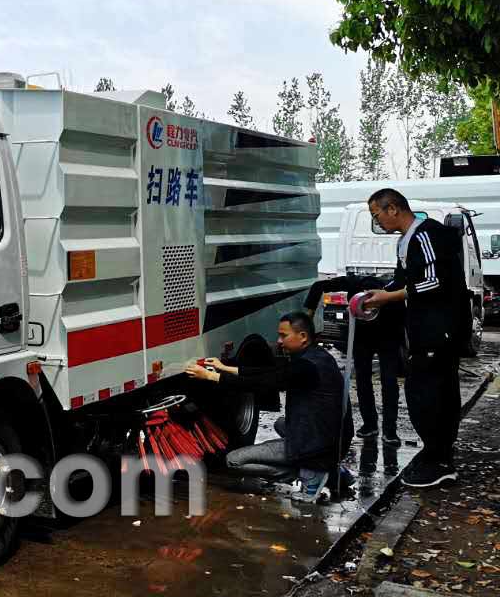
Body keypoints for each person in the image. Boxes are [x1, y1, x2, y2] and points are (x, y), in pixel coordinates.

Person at [362, 188, 469, 488]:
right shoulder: (405, 241)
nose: (378, 221)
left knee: (432, 395)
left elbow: (435, 282)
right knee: (423, 392)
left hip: (440, 330)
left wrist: (389, 296)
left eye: (377, 214)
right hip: (422, 332)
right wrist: (378, 293)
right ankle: (434, 453)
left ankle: (440, 460)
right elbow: (404, 279)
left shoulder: (427, 235)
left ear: (393, 209)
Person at [185, 310, 350, 503]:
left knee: (233, 460)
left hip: (316, 444)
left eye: (284, 335)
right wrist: (226, 368)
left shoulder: (305, 368)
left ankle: (311, 474)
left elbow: (261, 383)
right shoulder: (317, 356)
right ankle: (329, 467)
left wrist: (212, 376)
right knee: (280, 424)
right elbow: (271, 372)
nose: (279, 341)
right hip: (333, 438)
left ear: (303, 337)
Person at [305, 274, 403, 444]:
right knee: (363, 379)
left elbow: (406, 317)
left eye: (372, 307)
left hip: (388, 334)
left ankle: (390, 430)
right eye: (363, 306)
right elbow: (318, 285)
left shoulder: (391, 291)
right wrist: (308, 316)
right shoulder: (353, 282)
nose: (368, 310)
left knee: (389, 381)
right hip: (361, 336)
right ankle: (369, 425)